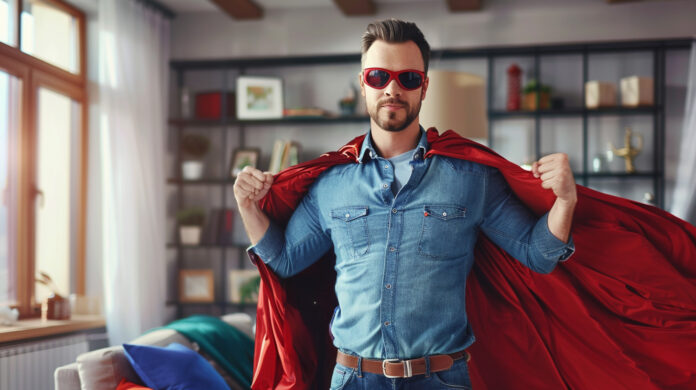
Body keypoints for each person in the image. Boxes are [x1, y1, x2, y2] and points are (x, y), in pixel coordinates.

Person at [234, 19, 577, 389]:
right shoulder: (329, 184)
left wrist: (565, 201)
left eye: (408, 78)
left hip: (440, 380)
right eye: (379, 77)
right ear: (363, 84)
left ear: (424, 87)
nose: (392, 89)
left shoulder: (472, 178)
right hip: (353, 380)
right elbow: (284, 259)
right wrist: (247, 207)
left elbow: (538, 254)